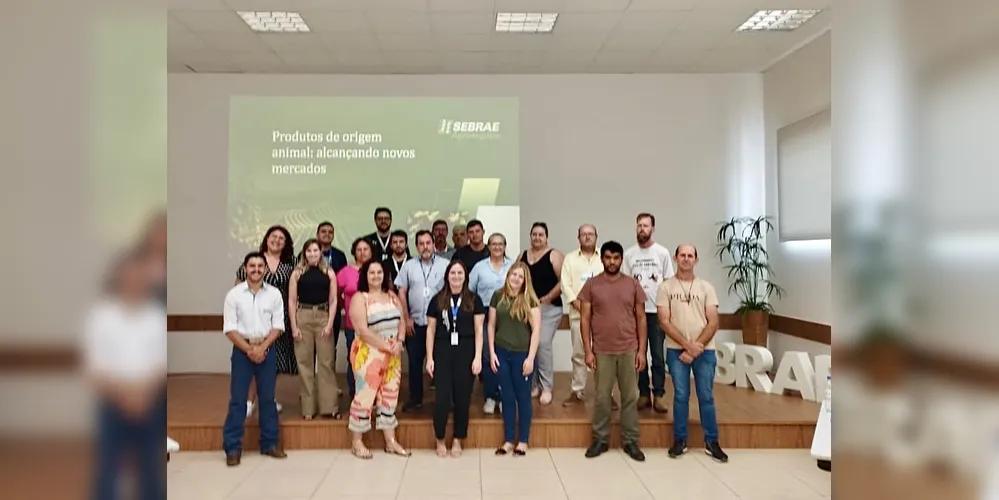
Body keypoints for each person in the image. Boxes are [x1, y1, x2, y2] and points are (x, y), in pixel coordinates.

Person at [86, 250, 167, 499]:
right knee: (107, 472)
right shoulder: (101, 317)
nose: (133, 280)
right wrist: (124, 397)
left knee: (150, 473)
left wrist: (142, 396)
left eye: (138, 275)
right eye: (128, 275)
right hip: (112, 404)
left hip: (148, 403)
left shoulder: (155, 317)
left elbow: (160, 365)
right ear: (118, 278)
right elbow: (94, 367)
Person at [657, 244, 728, 463]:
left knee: (706, 395)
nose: (686, 259)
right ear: (675, 258)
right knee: (680, 396)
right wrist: (687, 346)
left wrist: (695, 346)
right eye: (682, 255)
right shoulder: (665, 287)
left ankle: (711, 441)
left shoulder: (706, 287)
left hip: (704, 352)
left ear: (696, 260)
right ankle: (680, 440)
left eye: (690, 256)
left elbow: (713, 321)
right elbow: (664, 322)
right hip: (676, 351)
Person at [580, 241, 647, 462]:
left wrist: (641, 351)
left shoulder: (632, 285)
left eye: (616, 258)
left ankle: (630, 441)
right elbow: (584, 319)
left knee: (630, 397)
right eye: (608, 257)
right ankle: (600, 439)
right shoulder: (591, 285)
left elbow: (641, 318)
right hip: (602, 350)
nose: (612, 262)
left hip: (629, 349)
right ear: (602, 259)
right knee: (601, 397)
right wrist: (588, 351)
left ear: (621, 259)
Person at [222, 252, 289, 466]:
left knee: (267, 399)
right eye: (252, 266)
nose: (257, 269)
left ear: (265, 269)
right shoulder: (234, 295)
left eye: (261, 266)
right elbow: (229, 328)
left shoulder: (274, 294)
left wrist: (262, 348)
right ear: (245, 268)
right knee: (238, 400)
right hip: (242, 350)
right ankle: (233, 448)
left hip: (267, 350)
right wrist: (250, 349)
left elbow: (278, 326)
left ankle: (269, 444)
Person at [347, 260, 411, 459]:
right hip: (368, 353)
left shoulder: (391, 296)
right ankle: (357, 442)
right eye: (371, 272)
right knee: (365, 396)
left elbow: (402, 320)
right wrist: (385, 346)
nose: (376, 276)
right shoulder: (360, 297)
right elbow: (361, 330)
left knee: (389, 396)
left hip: (393, 354)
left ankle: (390, 441)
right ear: (365, 276)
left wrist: (400, 341)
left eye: (379, 272)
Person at [425, 260, 485, 457]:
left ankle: (458, 439)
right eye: (453, 273)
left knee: (462, 398)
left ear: (465, 276)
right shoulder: (437, 300)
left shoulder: (474, 300)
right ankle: (440, 439)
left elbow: (479, 330)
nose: (456, 277)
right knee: (441, 399)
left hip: (466, 352)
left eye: (460, 273)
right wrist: (430, 358)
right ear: (447, 276)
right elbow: (431, 330)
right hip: (442, 352)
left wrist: (477, 357)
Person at [235, 225, 295, 417]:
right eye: (273, 236)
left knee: (274, 362)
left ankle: (266, 396)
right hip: (255, 317)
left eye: (281, 238)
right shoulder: (255, 260)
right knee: (255, 359)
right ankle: (249, 401)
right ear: (267, 238)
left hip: (279, 318)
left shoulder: (290, 263)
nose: (277, 240)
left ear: (286, 244)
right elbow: (238, 285)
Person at [622, 212, 675, 413]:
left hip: (656, 312)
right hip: (636, 313)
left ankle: (659, 395)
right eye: (639, 226)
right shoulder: (629, 254)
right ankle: (643, 394)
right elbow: (625, 283)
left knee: (657, 355)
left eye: (645, 226)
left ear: (653, 228)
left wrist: (667, 311)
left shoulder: (661, 253)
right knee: (639, 354)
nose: (642, 229)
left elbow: (669, 282)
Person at [489, 262, 541, 456]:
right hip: (502, 353)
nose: (516, 279)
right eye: (514, 274)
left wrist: (530, 358)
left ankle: (524, 440)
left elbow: (536, 331)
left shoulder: (530, 300)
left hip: (522, 355)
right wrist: (492, 353)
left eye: (520, 276)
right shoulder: (497, 296)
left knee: (523, 398)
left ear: (525, 280)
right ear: (508, 275)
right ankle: (509, 440)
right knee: (507, 397)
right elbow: (491, 326)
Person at [395, 230, 449, 411]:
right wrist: (406, 318)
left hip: (440, 324)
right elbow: (401, 291)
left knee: (442, 363)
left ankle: (443, 400)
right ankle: (415, 398)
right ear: (417, 246)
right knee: (415, 363)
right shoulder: (409, 265)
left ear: (433, 244)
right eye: (421, 244)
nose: (425, 247)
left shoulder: (445, 265)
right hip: (415, 323)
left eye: (428, 243)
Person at [288, 238, 340, 420]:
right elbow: (292, 301)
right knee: (305, 364)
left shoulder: (329, 272)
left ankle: (330, 407)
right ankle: (308, 408)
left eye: (315, 250)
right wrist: (294, 327)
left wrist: (330, 323)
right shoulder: (297, 273)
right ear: (304, 253)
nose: (312, 254)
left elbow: (334, 300)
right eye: (309, 251)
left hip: (323, 317)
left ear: (321, 253)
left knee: (326, 363)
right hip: (303, 316)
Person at [559, 224, 607, 407]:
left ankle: (605, 393)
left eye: (590, 234)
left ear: (596, 236)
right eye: (583, 234)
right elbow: (566, 286)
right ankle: (577, 391)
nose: (587, 237)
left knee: (604, 355)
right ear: (578, 237)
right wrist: (581, 307)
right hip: (578, 316)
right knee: (579, 354)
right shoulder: (570, 259)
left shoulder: (605, 257)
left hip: (604, 317)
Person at [468, 233, 513, 414]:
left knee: (504, 356)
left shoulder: (512, 266)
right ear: (488, 246)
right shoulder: (479, 267)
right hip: (485, 314)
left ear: (505, 246)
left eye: (500, 244)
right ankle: (490, 396)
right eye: (493, 244)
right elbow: (469, 291)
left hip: (508, 315)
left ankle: (504, 396)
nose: (497, 247)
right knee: (488, 356)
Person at [519, 222, 563, 405]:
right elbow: (516, 278)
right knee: (530, 346)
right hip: (528, 309)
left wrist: (546, 298)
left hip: (549, 308)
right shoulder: (523, 256)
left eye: (541, 235)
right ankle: (534, 384)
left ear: (546, 237)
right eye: (534, 234)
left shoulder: (554, 255)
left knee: (543, 344)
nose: (537, 237)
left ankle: (546, 387)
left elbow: (563, 282)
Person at [335, 238, 373, 400]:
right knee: (354, 359)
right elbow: (336, 295)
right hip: (353, 326)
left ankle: (372, 393)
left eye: (366, 249)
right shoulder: (345, 272)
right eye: (359, 249)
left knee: (372, 360)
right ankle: (355, 394)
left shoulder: (376, 270)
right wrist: (348, 308)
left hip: (374, 326)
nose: (363, 252)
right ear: (354, 252)